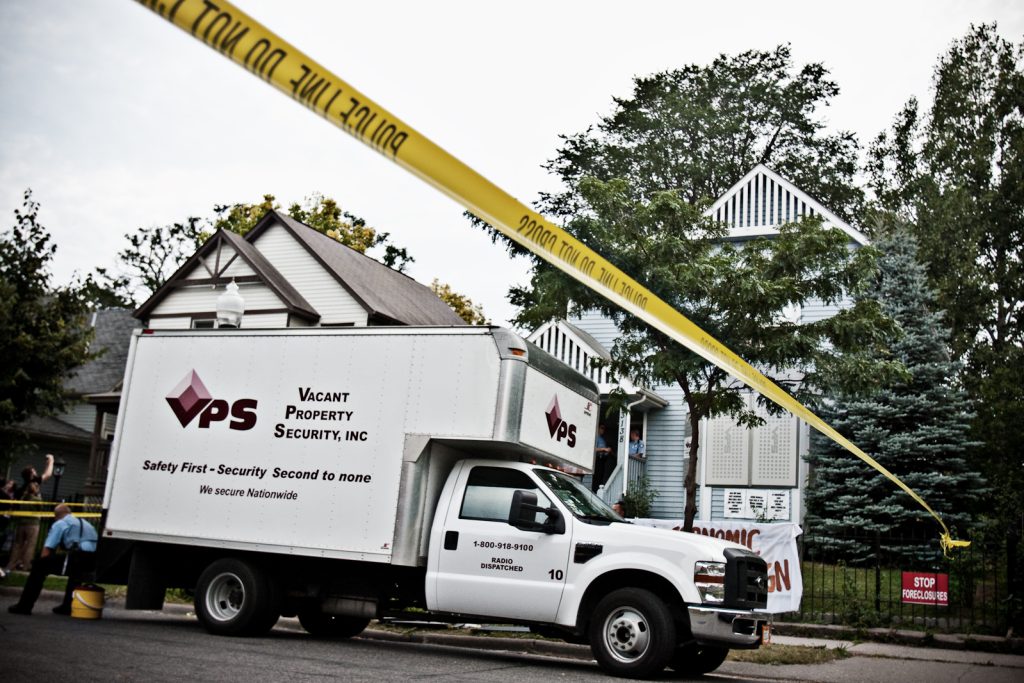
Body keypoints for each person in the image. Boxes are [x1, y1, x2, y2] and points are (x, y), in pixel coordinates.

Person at [8, 503, 98, 616]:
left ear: (56, 516)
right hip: (92, 559)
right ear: (69, 513)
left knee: (38, 567)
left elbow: (48, 548)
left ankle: (24, 606)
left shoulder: (60, 523)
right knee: (75, 577)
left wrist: (41, 563)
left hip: (76, 557)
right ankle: (67, 606)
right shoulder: (86, 523)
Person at [4, 454, 54, 574]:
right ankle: (25, 566)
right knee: (30, 544)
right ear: (31, 474)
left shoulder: (21, 488)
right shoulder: (34, 483)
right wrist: (51, 461)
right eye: (34, 471)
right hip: (33, 522)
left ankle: (12, 564)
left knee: (17, 544)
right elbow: (47, 474)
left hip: (21, 521)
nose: (36, 472)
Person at [592, 424, 613, 492]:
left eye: (604, 429)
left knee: (600, 477)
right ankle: (594, 491)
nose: (603, 430)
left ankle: (598, 491)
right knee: (596, 477)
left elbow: (604, 450)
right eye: (601, 428)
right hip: (597, 459)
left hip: (602, 459)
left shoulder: (602, 439)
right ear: (597, 428)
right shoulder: (595, 437)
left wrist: (607, 451)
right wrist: (604, 449)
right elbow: (593, 449)